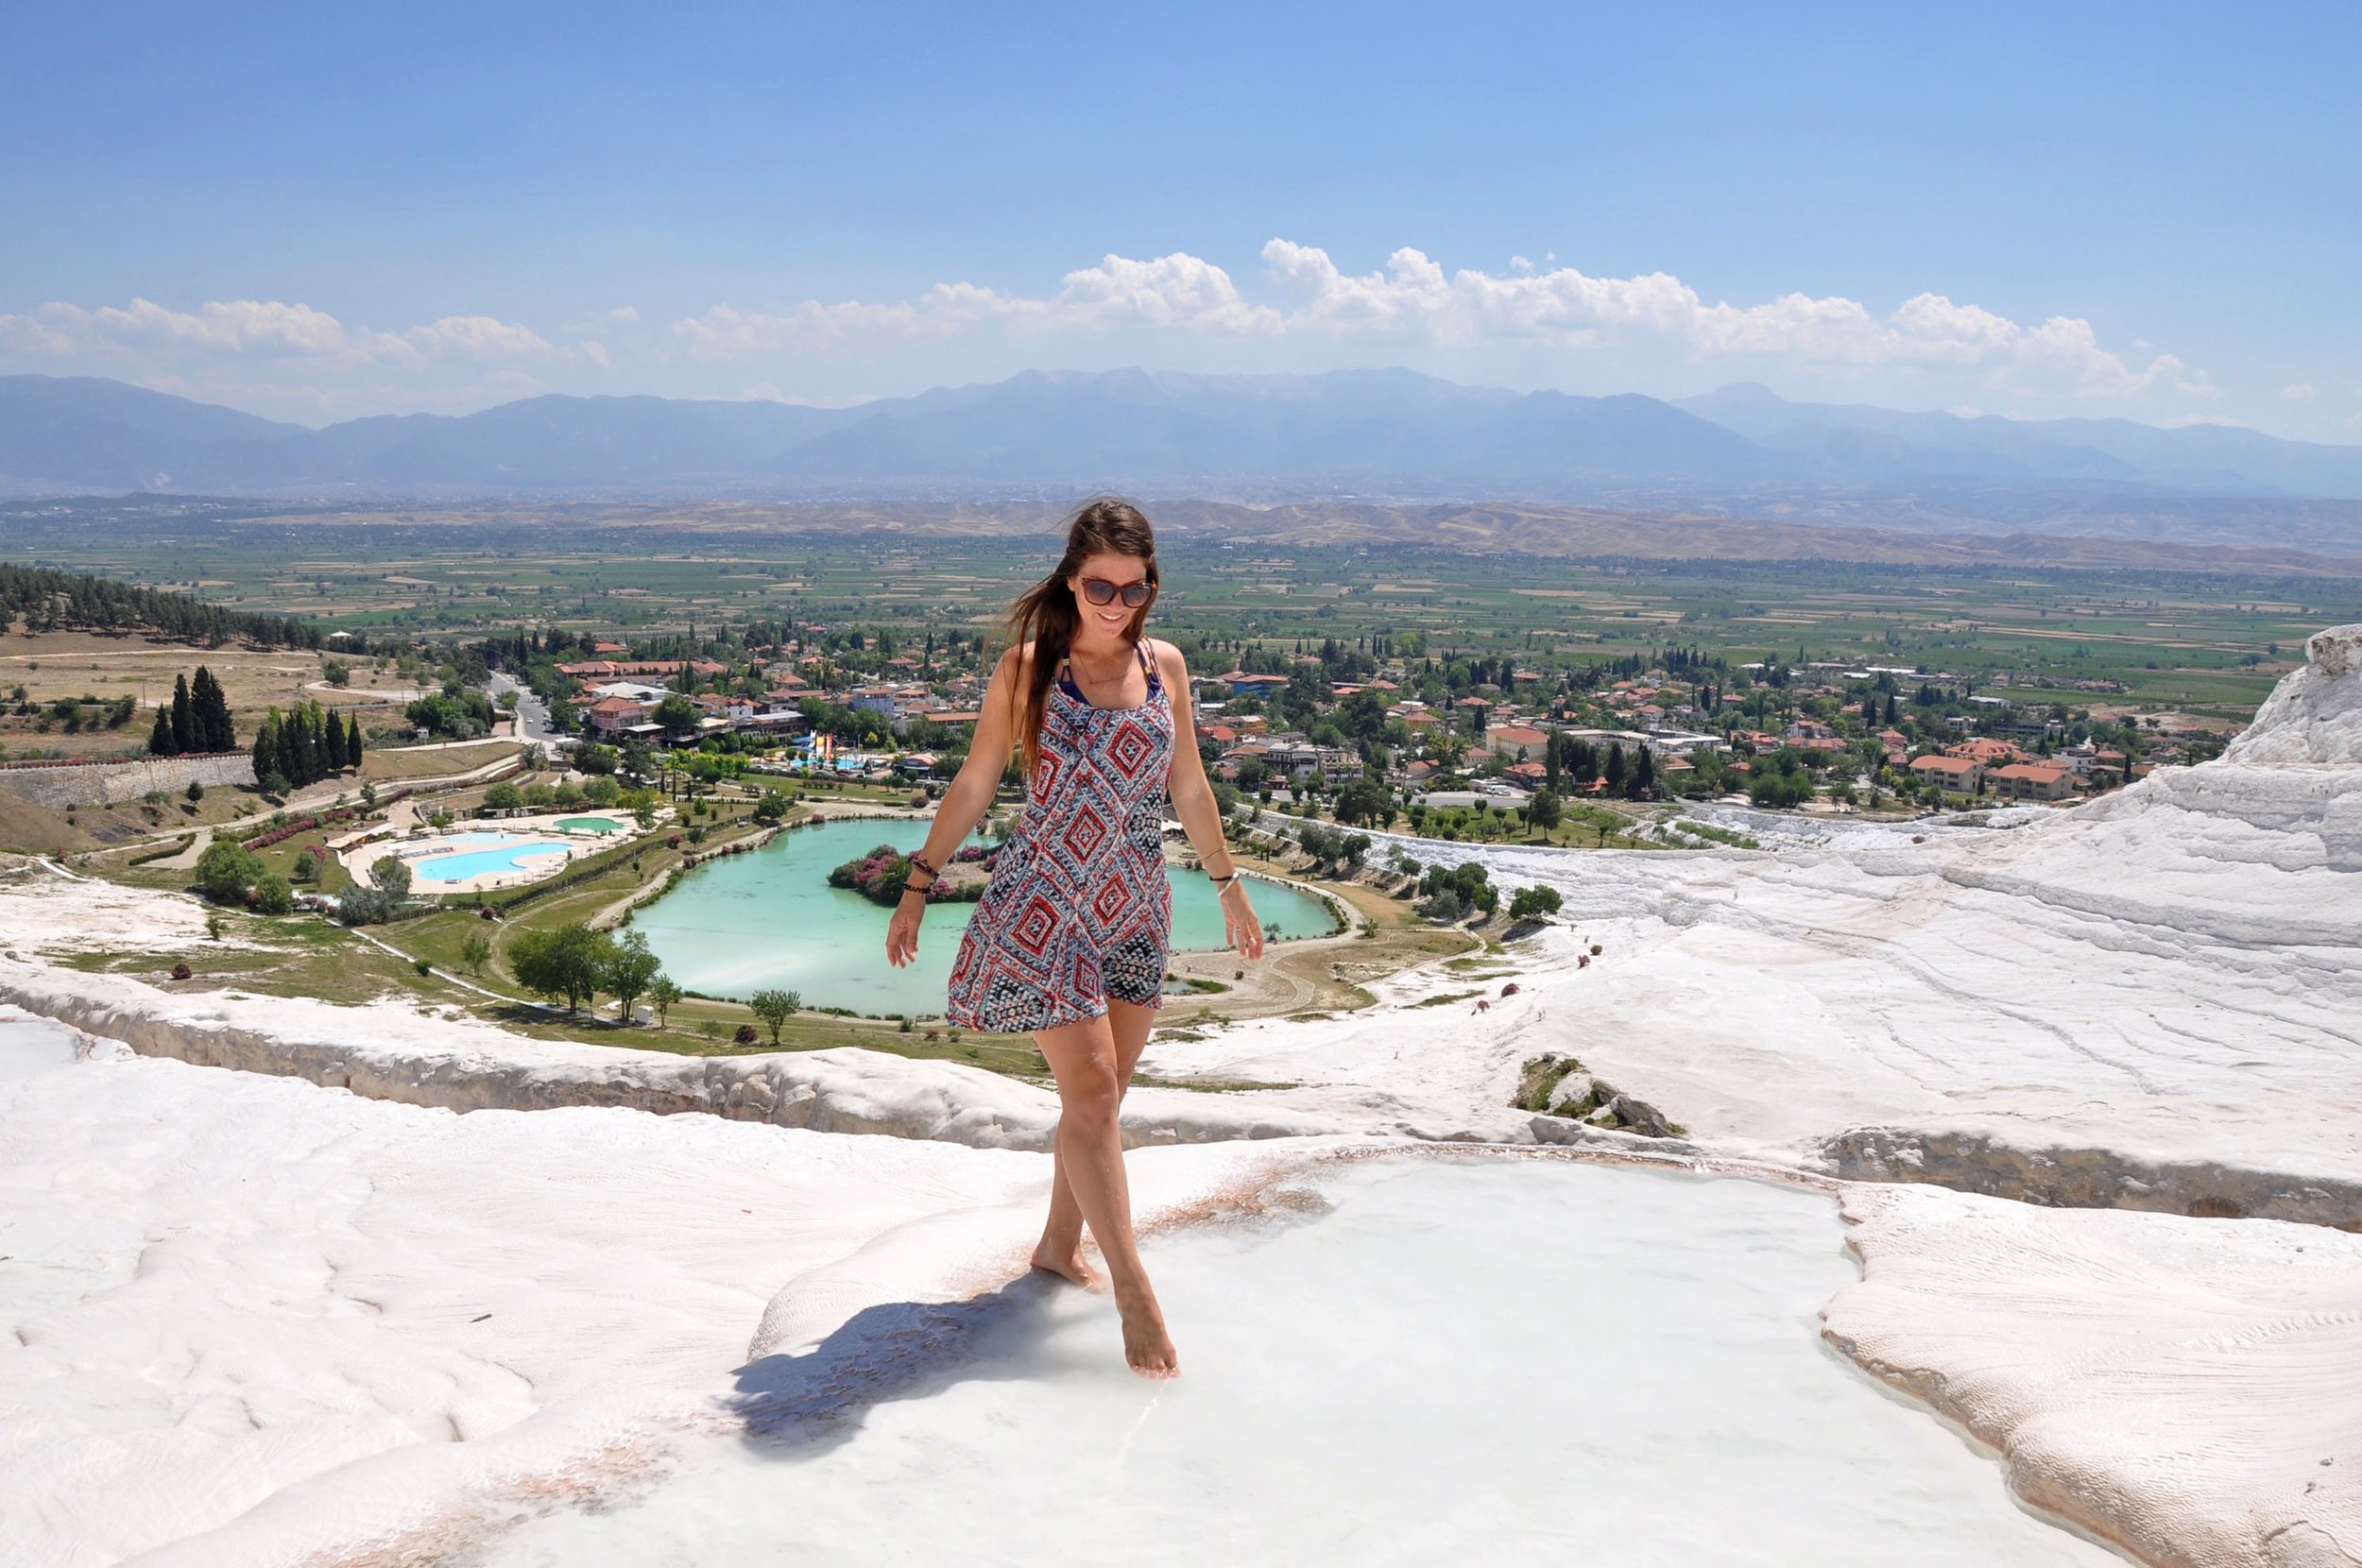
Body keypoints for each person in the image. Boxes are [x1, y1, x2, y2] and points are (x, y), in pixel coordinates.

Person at [886, 497, 1263, 1378]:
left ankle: (1060, 1246)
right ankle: (1137, 1292)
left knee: (1103, 1102)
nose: (1117, 603)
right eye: (1101, 584)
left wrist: (1229, 884)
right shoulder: (1031, 668)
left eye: (1135, 589)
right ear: (1070, 576)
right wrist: (919, 883)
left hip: (1134, 903)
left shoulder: (1163, 664)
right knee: (1091, 1095)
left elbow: (1192, 787)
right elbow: (978, 779)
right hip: (1046, 901)